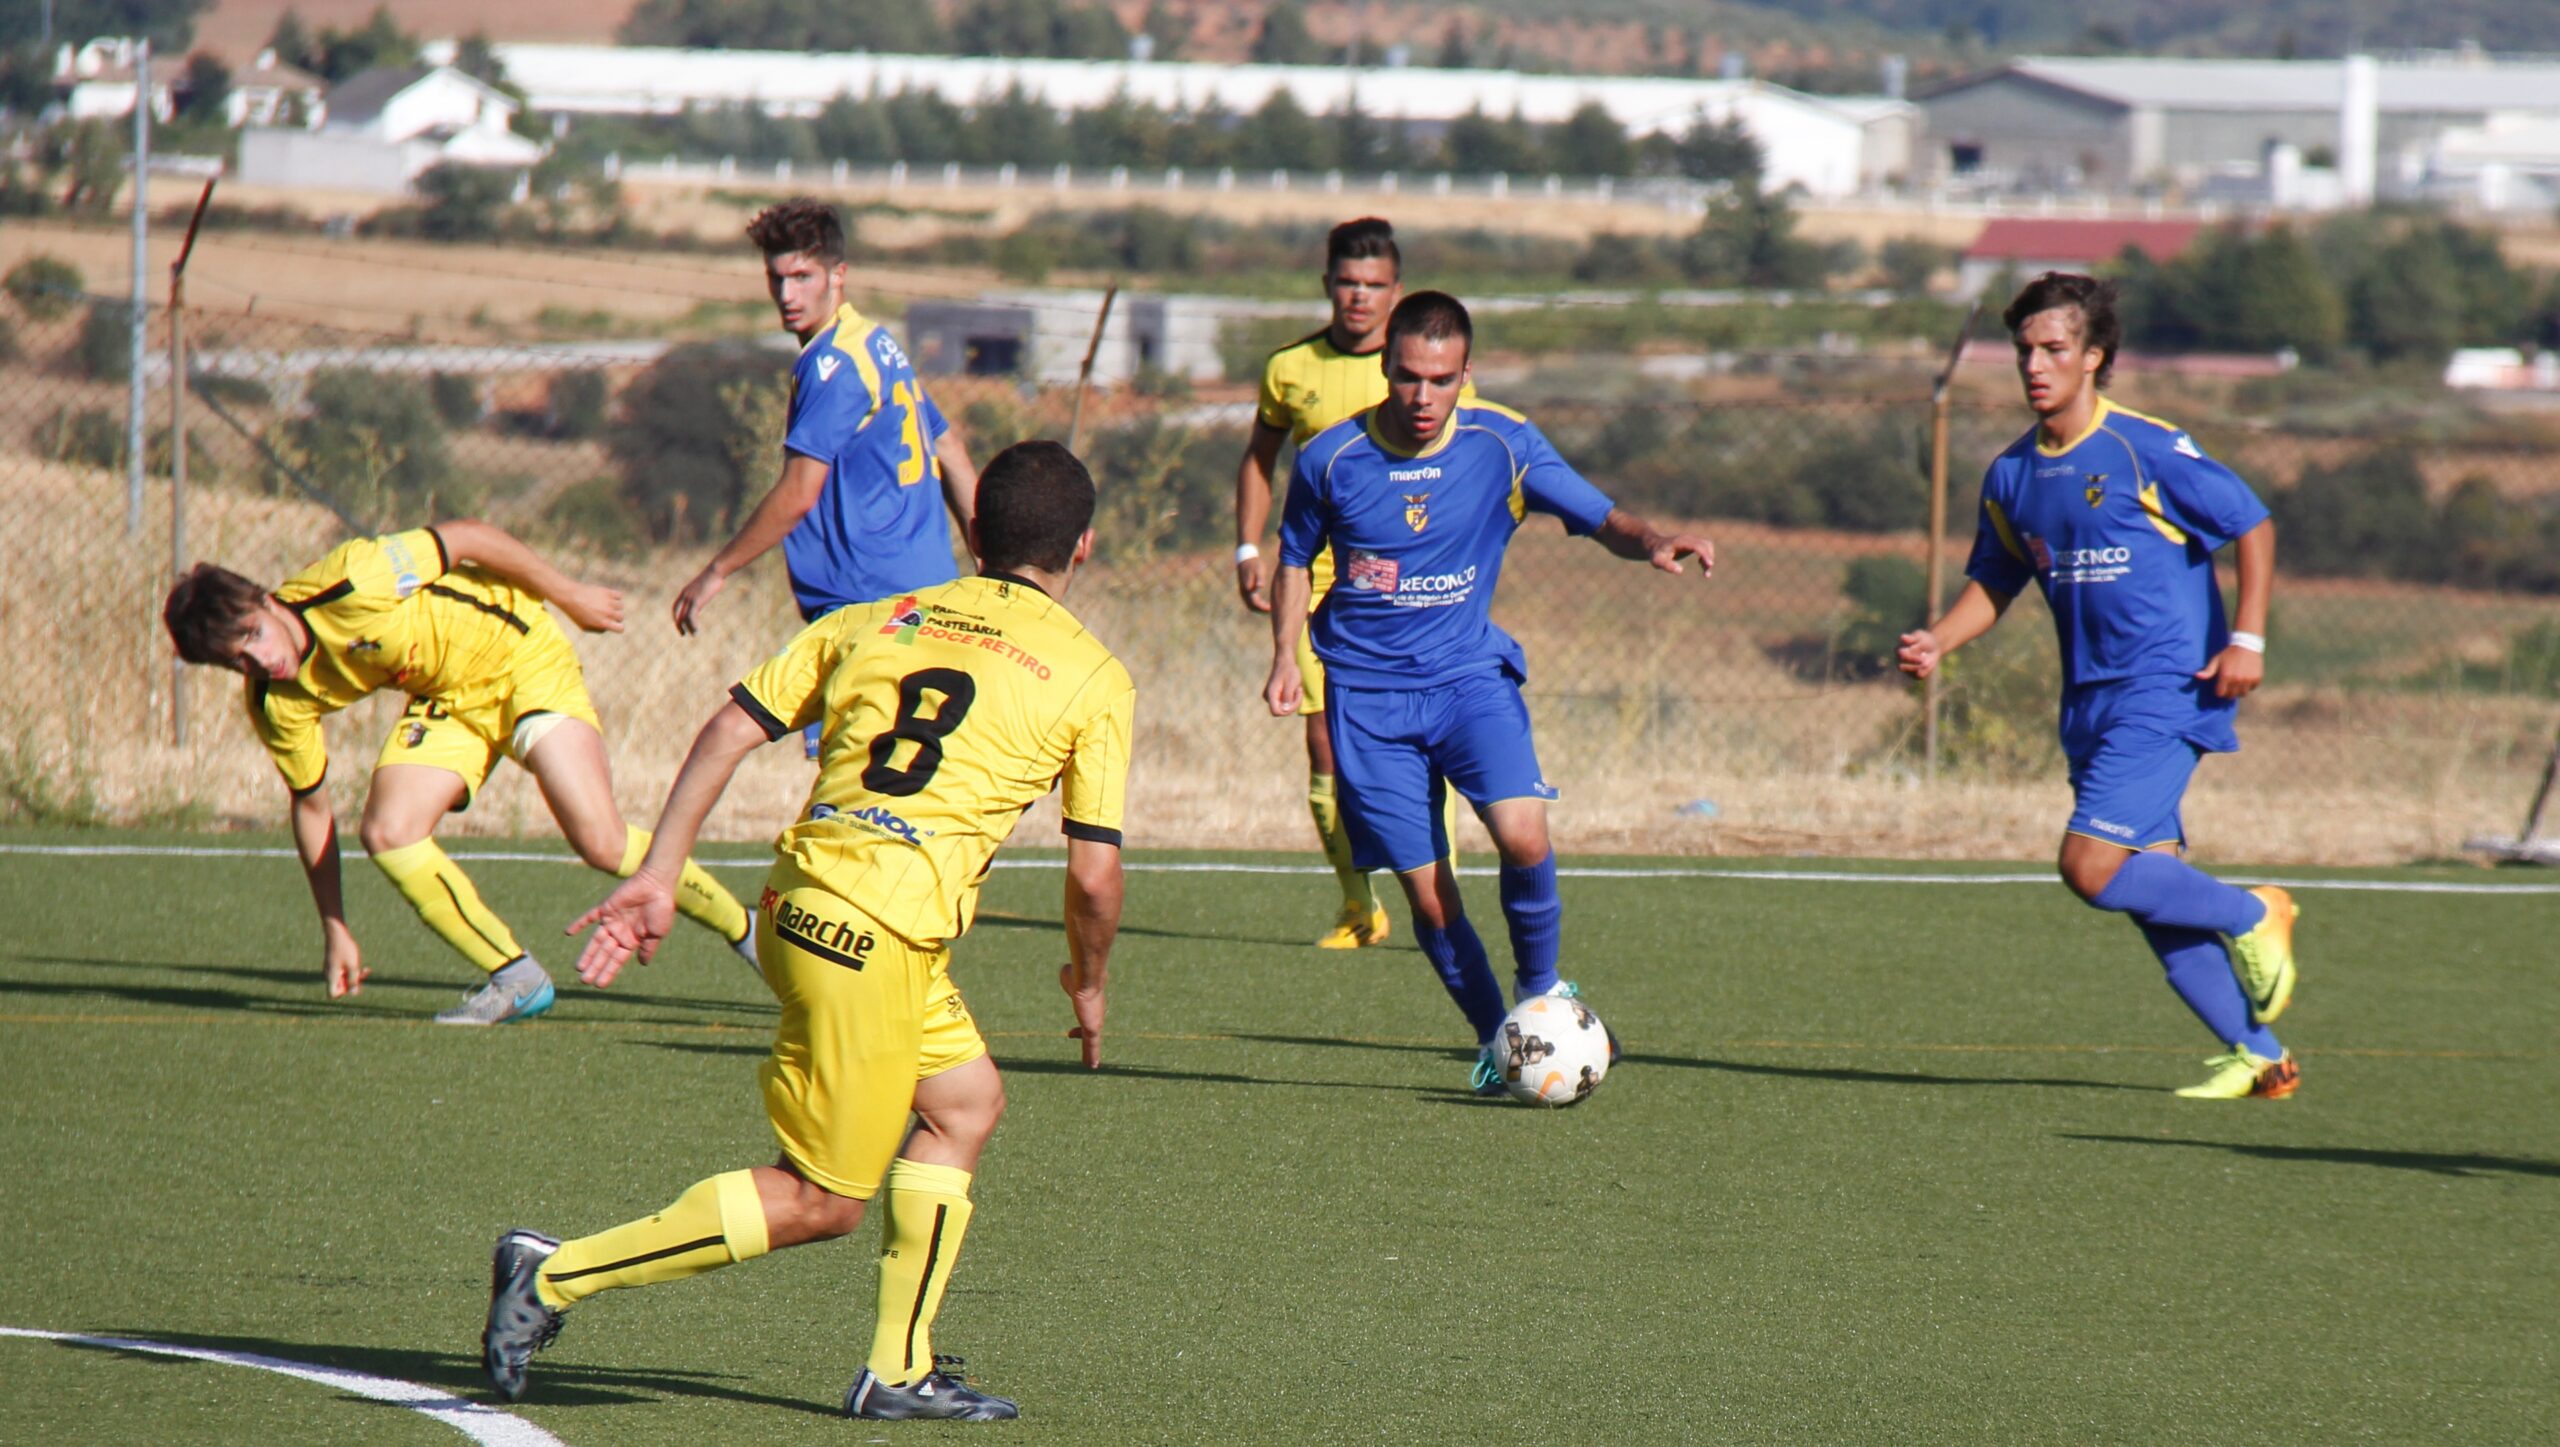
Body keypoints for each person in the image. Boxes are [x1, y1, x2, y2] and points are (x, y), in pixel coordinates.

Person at [482, 442, 1133, 1421]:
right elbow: (1093, 873)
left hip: (803, 908)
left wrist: (662, 869)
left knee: (963, 1104)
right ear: (1083, 547)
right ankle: (554, 1275)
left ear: (970, 533)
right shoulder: (1092, 675)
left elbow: (731, 726)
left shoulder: (879, 618)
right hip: (873, 937)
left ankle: (899, 1368)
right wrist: (1087, 982)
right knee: (823, 1198)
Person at [1262, 292, 1711, 1092]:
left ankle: (1541, 991)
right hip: (1367, 701)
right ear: (1386, 368)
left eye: (1441, 379)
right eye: (1407, 377)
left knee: (1525, 838)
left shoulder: (1504, 444)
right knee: (1432, 902)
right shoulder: (1331, 458)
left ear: (1467, 373)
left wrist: (1652, 540)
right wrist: (1284, 657)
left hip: (1469, 678)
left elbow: (1601, 515)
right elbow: (1294, 557)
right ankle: (1499, 1040)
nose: (1423, 396)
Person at [1897, 271, 2302, 1100]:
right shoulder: (2011, 475)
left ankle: (2256, 911)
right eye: (2025, 351)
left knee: (2089, 866)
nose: (2036, 366)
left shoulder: (2142, 447)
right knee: (2149, 883)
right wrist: (1939, 637)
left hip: (2167, 682)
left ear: (2095, 357)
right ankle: (2259, 1055)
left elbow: (2251, 521)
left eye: (2055, 349)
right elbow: (1997, 579)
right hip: (2088, 699)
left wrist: (2249, 639)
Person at [161, 522, 756, 1025]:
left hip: (522, 660)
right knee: (389, 831)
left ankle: (745, 929)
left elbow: (468, 537)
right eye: (236, 660)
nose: (261, 661)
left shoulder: (354, 580)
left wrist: (568, 593)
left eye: (253, 636)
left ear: (266, 601)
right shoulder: (274, 701)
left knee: (600, 840)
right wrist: (335, 926)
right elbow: (312, 807)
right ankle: (516, 978)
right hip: (447, 701)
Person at [671, 197, 983, 757]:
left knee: (829, 771)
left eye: (802, 277)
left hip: (866, 607)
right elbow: (950, 450)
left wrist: (716, 571)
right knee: (900, 781)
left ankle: (666, 850)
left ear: (838, 275)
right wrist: (988, 556)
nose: (787, 296)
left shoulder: (830, 365)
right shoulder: (877, 344)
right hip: (927, 598)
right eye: (776, 279)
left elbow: (797, 493)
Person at [1233, 217, 1470, 951]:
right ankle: (1358, 904)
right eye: (1347, 283)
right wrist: (1249, 547)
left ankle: (1442, 895)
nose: (1358, 298)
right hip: (1314, 579)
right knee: (1324, 744)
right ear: (1327, 284)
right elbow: (1257, 459)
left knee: (1426, 739)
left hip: (1409, 584)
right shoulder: (1289, 368)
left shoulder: (1426, 373)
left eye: (1373, 286)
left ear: (1396, 293)